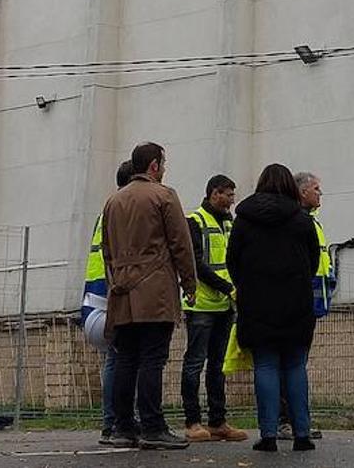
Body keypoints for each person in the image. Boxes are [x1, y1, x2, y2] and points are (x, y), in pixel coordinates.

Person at [101, 142, 198, 450]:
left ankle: (122, 427)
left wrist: (117, 280)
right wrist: (189, 283)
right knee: (153, 359)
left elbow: (106, 249)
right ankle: (153, 426)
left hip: (122, 291)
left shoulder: (113, 202)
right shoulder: (163, 196)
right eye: (163, 164)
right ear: (154, 165)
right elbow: (181, 244)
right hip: (155, 290)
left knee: (126, 358)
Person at [226, 164, 320, 453]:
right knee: (295, 365)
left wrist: (248, 285)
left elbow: (233, 261)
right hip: (295, 302)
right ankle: (301, 434)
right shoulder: (301, 220)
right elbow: (313, 261)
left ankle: (268, 435)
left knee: (265, 365)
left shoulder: (244, 219)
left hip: (257, 304)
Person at [181, 175, 248, 442]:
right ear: (213, 193)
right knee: (195, 362)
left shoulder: (230, 223)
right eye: (227, 195)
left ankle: (218, 421)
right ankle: (192, 421)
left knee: (218, 365)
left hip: (225, 305)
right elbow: (197, 263)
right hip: (202, 305)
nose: (232, 200)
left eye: (233, 195)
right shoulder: (194, 221)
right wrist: (228, 287)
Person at [276, 171, 336, 440]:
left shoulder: (313, 223)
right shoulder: (297, 223)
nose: (319, 193)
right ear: (301, 192)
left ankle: (299, 420)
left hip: (312, 303)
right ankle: (285, 421)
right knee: (288, 363)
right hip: (296, 303)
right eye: (316, 189)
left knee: (298, 363)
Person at [81, 160, 135, 445]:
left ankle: (113, 421)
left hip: (94, 298)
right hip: (108, 298)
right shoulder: (122, 208)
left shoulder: (106, 210)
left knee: (115, 360)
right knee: (119, 358)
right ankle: (114, 422)